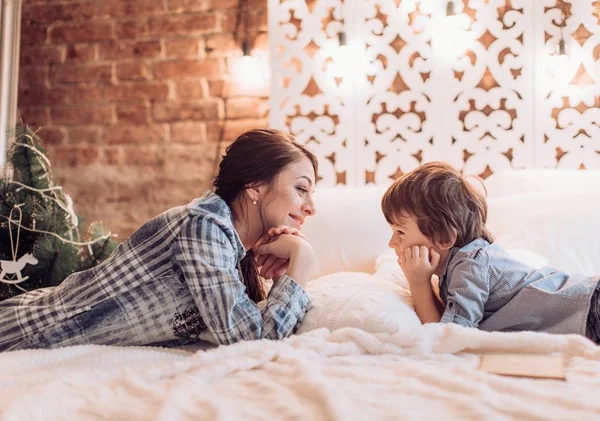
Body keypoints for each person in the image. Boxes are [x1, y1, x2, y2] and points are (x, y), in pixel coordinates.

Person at [0, 128, 318, 351]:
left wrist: (275, 271)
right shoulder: (203, 225)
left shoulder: (228, 248)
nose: (311, 207)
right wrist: (301, 262)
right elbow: (250, 339)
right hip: (20, 332)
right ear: (255, 186)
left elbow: (242, 323)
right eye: (301, 188)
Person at [381, 161, 600, 343]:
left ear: (445, 237)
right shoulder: (460, 266)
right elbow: (444, 321)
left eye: (400, 232)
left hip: (589, 307)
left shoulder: (470, 266)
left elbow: (450, 337)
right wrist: (424, 281)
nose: (392, 243)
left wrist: (418, 283)